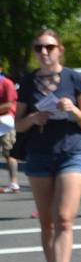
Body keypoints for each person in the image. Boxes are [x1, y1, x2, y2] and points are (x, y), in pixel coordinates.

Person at [13, 29, 81, 262]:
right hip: (38, 155)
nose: (43, 52)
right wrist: (34, 118)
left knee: (64, 219)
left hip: (71, 152)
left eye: (49, 47)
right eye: (38, 48)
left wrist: (73, 111)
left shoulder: (75, 79)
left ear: (60, 49)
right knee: (47, 223)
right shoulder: (27, 81)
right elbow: (18, 123)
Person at [0, 64, 19, 193]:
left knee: (9, 153)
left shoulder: (7, 83)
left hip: (6, 121)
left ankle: (14, 183)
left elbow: (9, 104)